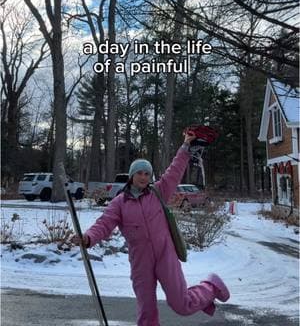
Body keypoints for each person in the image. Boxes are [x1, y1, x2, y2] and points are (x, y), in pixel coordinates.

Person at [72, 132, 230, 326]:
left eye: (147, 173)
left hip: (166, 256)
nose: (144, 177)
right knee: (146, 313)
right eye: (139, 173)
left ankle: (211, 286)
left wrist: (185, 148)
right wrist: (88, 238)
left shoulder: (158, 191)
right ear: (131, 176)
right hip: (141, 262)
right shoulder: (119, 203)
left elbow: (174, 171)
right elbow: (104, 224)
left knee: (182, 304)